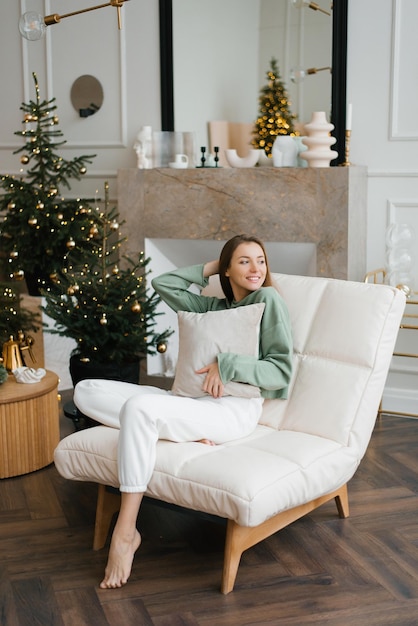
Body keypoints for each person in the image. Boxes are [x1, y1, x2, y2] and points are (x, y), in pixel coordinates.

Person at [74, 234, 293, 589]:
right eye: (244, 261)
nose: (256, 268)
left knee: (139, 408)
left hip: (234, 409)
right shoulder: (213, 308)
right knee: (87, 390)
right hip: (194, 406)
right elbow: (163, 283)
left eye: (261, 261)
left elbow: (281, 372)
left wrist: (228, 365)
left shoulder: (268, 299)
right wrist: (214, 267)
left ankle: (126, 531)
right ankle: (179, 429)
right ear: (227, 269)